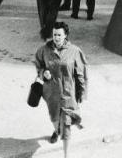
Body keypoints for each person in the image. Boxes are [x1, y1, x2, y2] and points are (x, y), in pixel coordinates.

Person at [34, 22, 87, 158]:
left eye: (59, 35)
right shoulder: (44, 49)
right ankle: (56, 130)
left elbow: (81, 73)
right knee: (54, 118)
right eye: (54, 35)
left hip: (69, 93)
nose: (56, 38)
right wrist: (43, 72)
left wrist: (82, 92)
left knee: (66, 125)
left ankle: (66, 155)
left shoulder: (75, 51)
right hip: (51, 92)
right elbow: (39, 64)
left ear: (65, 36)